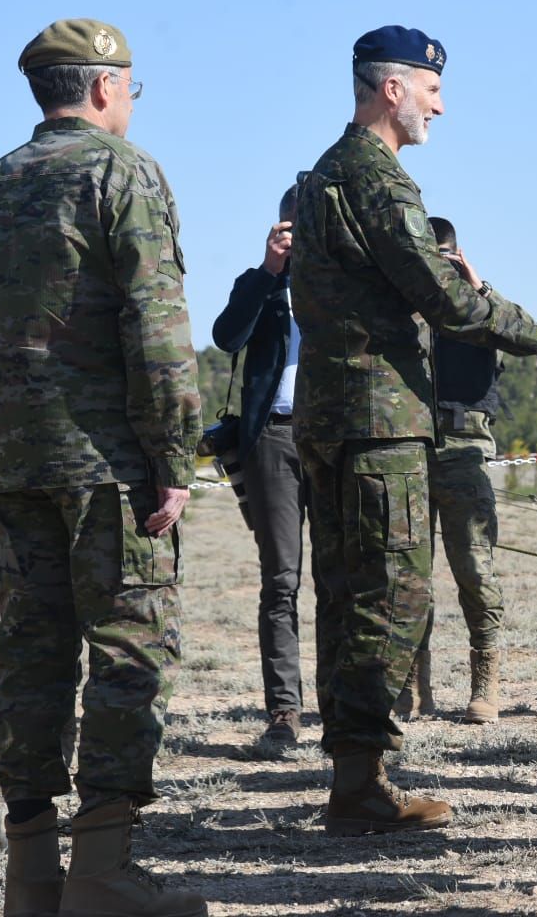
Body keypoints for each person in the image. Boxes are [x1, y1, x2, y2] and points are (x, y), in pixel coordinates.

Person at [292, 24, 537, 836]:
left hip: (337, 420)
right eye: (433, 87)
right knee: (390, 601)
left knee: (346, 598)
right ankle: (360, 786)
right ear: (391, 89)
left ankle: (357, 777)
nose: (442, 103)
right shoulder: (374, 177)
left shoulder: (328, 173)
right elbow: (445, 297)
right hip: (377, 423)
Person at [0, 18, 206, 917]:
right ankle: (103, 874)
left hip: (15, 469)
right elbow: (157, 326)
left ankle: (30, 876)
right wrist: (174, 457)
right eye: (131, 84)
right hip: (108, 470)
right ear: (102, 88)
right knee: (130, 654)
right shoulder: (120, 174)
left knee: (32, 660)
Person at [211, 182, 310, 747]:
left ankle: (352, 708)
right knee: (281, 579)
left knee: (345, 578)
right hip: (273, 436)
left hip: (335, 434)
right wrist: (269, 272)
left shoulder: (349, 285)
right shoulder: (263, 284)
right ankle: (284, 713)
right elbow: (227, 336)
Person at [414, 214, 509, 725]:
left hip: (464, 443)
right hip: (408, 444)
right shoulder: (403, 308)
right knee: (410, 575)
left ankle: (485, 680)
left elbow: (510, 330)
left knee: (474, 567)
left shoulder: (476, 310)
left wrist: (475, 285)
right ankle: (413, 685)